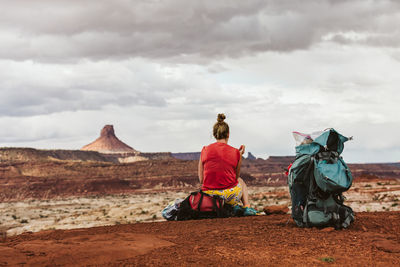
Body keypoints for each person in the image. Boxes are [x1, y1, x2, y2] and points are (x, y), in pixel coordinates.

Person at [198, 113, 257, 216]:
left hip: (209, 197)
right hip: (229, 196)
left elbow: (201, 180)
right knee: (240, 181)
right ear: (228, 134)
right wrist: (240, 155)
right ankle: (247, 207)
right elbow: (235, 177)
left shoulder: (204, 150)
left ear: (214, 134)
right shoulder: (235, 152)